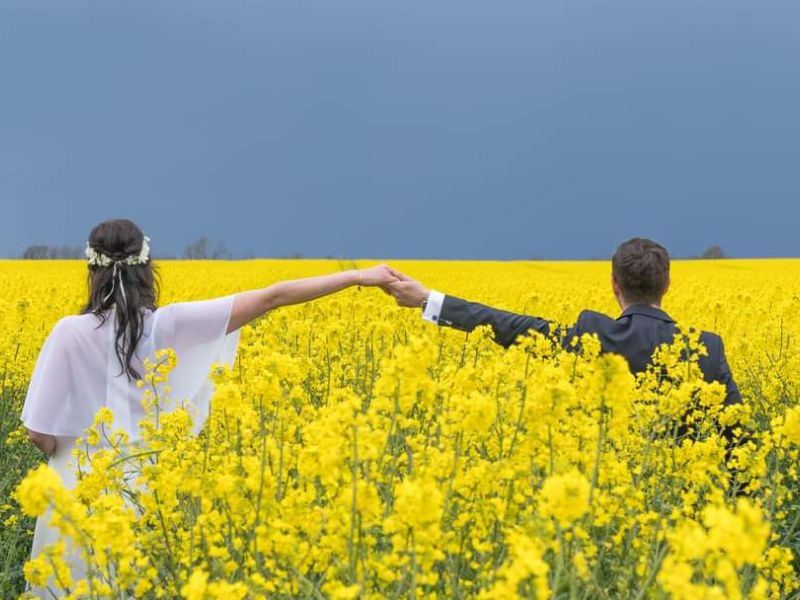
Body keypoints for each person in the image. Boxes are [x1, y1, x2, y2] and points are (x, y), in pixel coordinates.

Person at [20, 218, 397, 596]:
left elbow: (39, 433)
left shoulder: (68, 331)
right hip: (148, 493)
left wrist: (69, 452)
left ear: (92, 270)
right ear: (147, 267)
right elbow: (273, 296)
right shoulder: (170, 324)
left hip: (75, 489)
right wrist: (358, 277)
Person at [384, 237, 741, 408]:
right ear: (667, 285)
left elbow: (506, 325)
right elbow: (737, 441)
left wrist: (427, 299)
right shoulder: (707, 349)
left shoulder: (594, 336)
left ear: (614, 284)